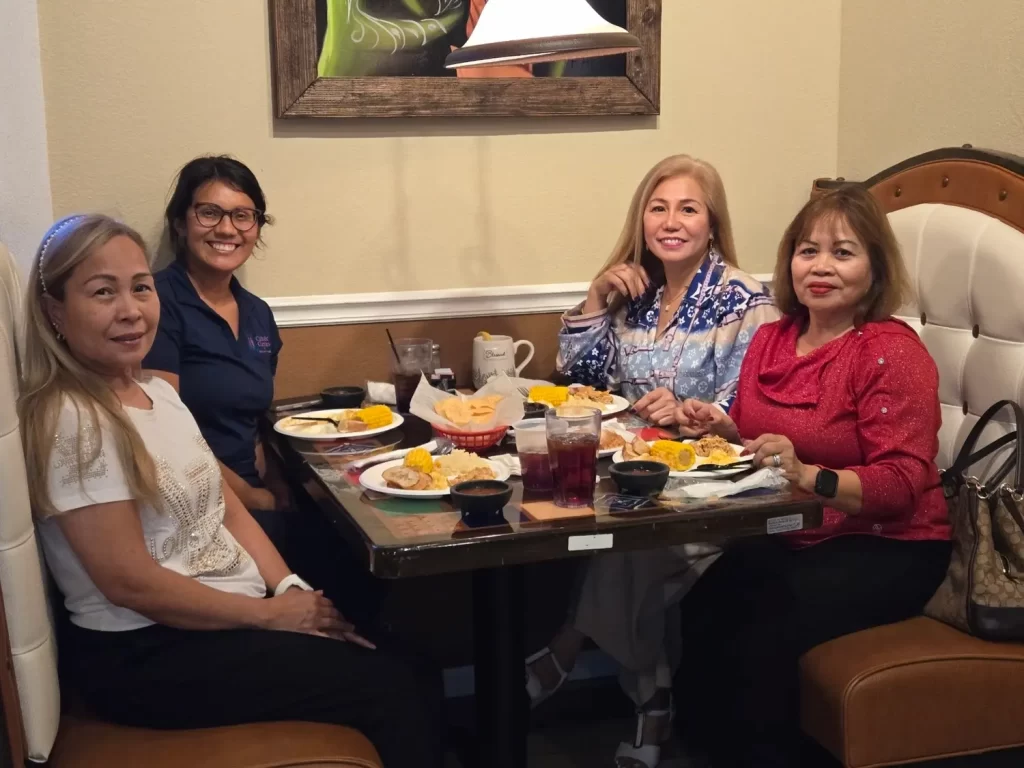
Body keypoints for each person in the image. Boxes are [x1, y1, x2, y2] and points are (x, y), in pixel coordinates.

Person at [19, 214, 442, 768]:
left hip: (218, 618)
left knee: (411, 658)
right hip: (147, 653)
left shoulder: (155, 394)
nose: (130, 310)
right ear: (56, 312)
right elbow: (128, 583)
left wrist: (288, 587)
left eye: (141, 288)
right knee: (390, 685)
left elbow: (227, 509)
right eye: (103, 293)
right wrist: (272, 617)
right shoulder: (72, 418)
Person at [671, 185, 952, 767]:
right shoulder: (774, 338)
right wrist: (722, 429)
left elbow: (900, 486)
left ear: (874, 268)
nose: (820, 266)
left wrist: (810, 473)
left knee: (760, 639)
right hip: (796, 532)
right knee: (701, 608)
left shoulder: (888, 351)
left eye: (843, 253)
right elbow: (758, 439)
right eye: (807, 250)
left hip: (887, 545)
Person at [531, 155, 778, 768]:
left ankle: (584, 652)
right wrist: (594, 295)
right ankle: (653, 701)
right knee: (610, 529)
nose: (671, 222)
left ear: (713, 222)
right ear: (642, 219)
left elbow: (756, 404)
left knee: (629, 546)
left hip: (720, 478)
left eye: (688, 208)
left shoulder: (745, 300)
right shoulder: (634, 293)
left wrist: (692, 411)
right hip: (636, 473)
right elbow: (582, 383)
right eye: (658, 207)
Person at [142, 156, 378, 622]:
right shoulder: (158, 303)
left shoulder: (256, 314)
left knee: (360, 542)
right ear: (180, 222)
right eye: (209, 212)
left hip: (251, 489)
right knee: (342, 560)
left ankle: (357, 659)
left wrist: (275, 483)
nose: (227, 228)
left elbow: (252, 423)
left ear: (256, 227)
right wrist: (251, 499)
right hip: (197, 504)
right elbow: (164, 435)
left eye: (242, 215)